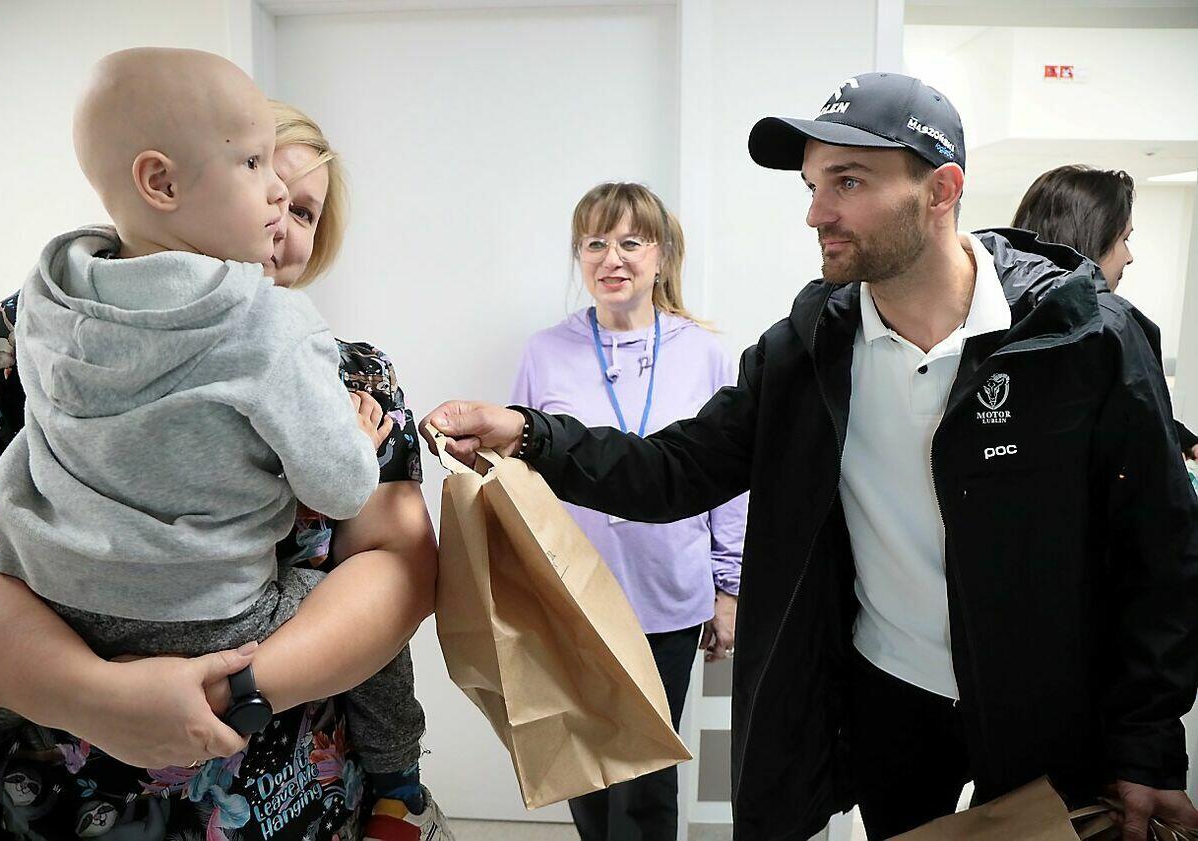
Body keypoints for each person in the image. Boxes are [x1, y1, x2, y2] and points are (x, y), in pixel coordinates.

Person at [420, 72, 1198, 841]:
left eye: (848, 182)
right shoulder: (808, 350)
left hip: (1044, 708)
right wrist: (529, 432)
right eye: (813, 185)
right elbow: (676, 469)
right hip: (893, 700)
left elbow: (1158, 550)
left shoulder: (1080, 339)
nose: (817, 212)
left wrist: (1148, 743)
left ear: (941, 190)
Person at [0, 86, 452, 840]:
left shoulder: (349, 371)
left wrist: (223, 696)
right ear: (168, 185)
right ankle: (403, 787)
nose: (279, 217)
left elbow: (397, 567)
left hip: (292, 791)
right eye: (260, 177)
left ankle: (397, 786)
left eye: (305, 211)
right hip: (53, 792)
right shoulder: (25, 332)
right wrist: (89, 694)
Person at [510, 181, 745, 840]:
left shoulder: (704, 353)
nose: (611, 258)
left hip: (668, 596)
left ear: (661, 255)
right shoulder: (544, 352)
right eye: (595, 243)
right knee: (584, 771)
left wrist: (729, 585)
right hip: (571, 597)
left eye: (630, 242)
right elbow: (518, 477)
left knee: (643, 780)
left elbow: (731, 479)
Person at [1011, 164, 1198, 460]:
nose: (1129, 257)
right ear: (1091, 238)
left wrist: (1175, 435)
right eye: (1124, 239)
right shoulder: (1111, 333)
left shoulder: (996, 324)